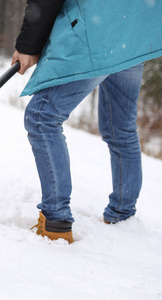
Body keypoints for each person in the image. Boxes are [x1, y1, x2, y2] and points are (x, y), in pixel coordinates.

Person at [12, 0, 162, 243]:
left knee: (42, 117)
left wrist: (28, 45)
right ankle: (122, 217)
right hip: (133, 33)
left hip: (99, 28)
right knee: (120, 127)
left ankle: (56, 222)